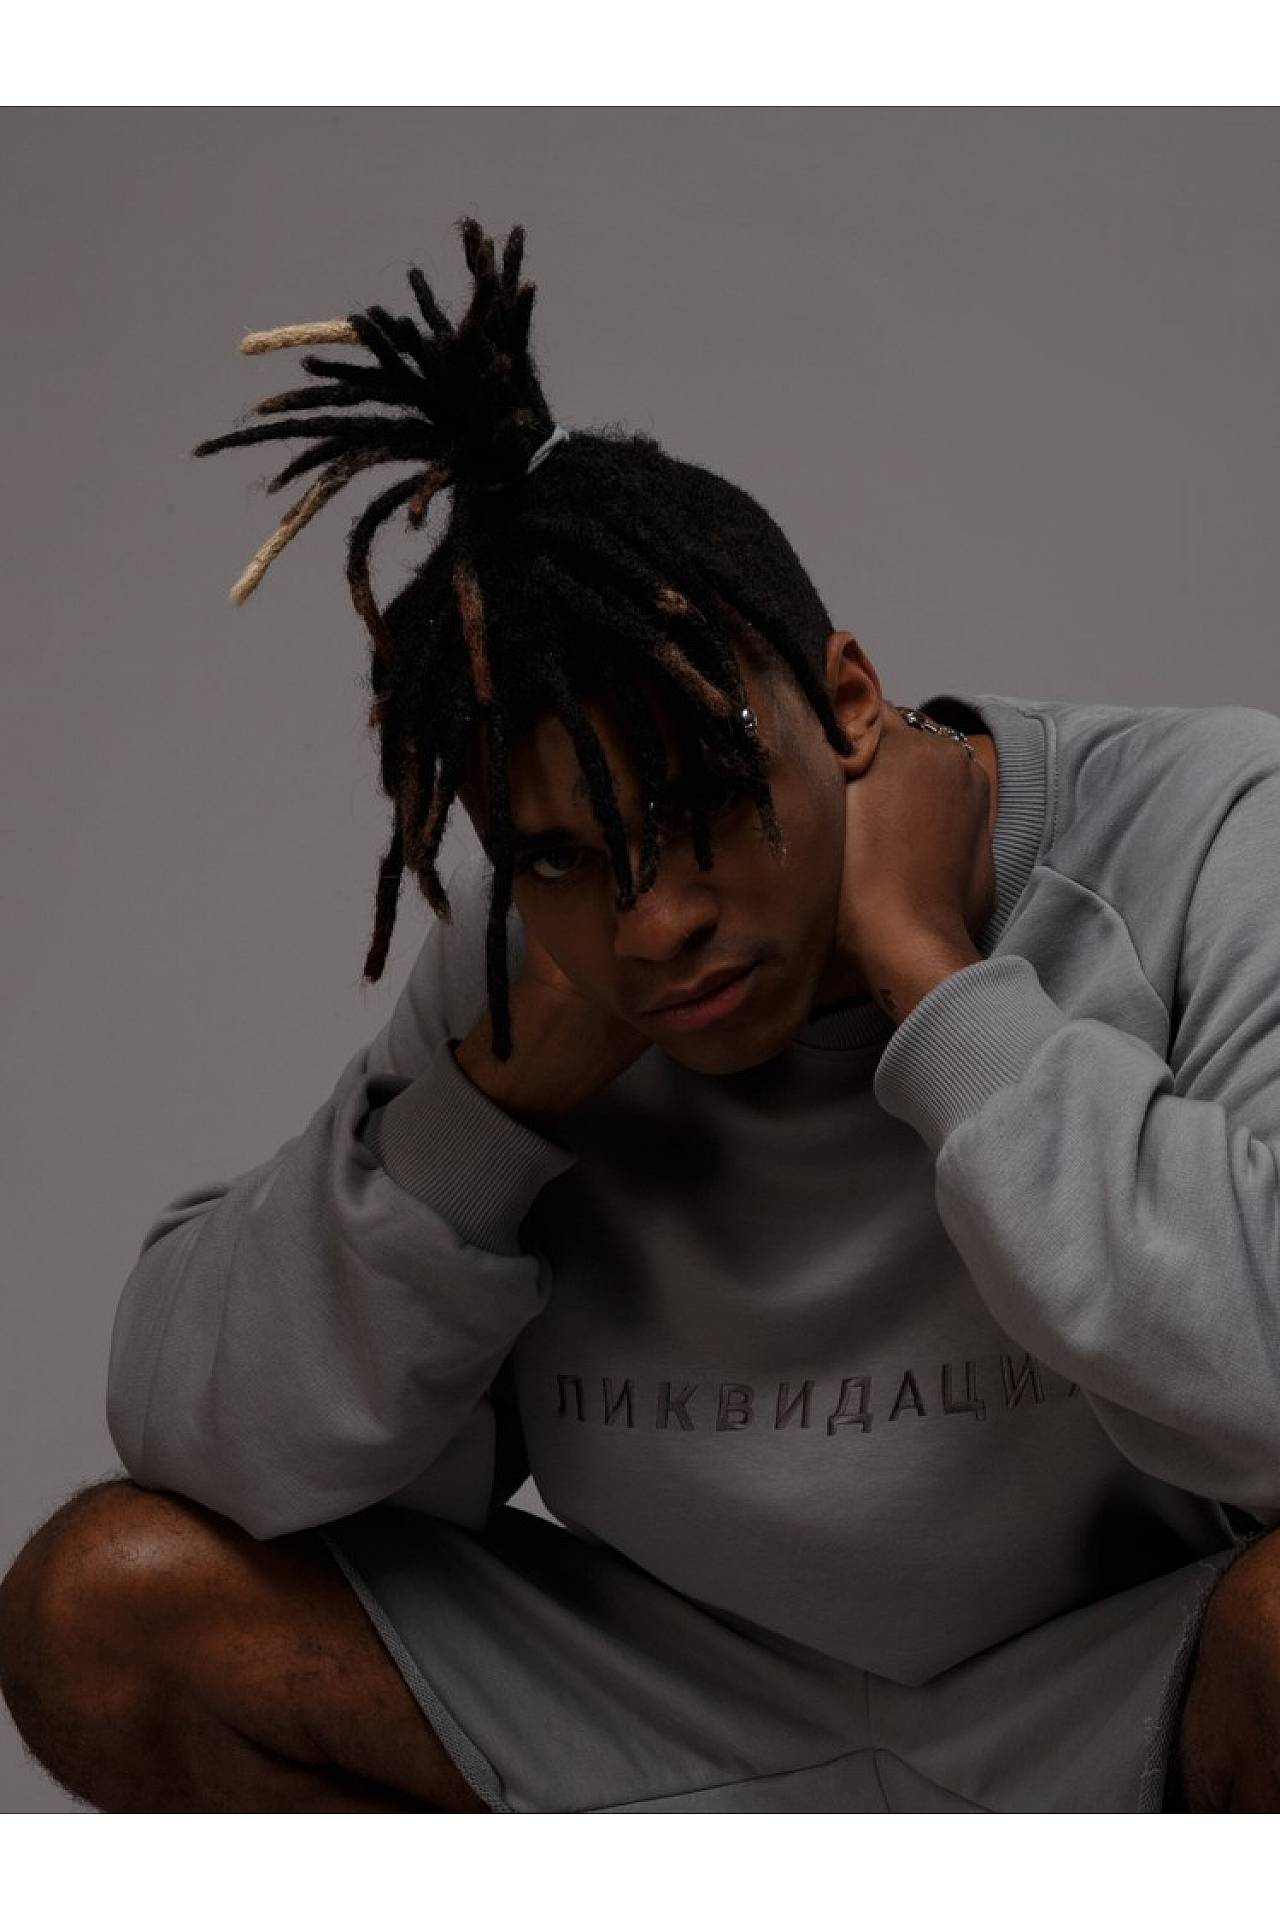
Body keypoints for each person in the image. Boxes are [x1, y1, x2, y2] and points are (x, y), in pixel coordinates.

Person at [3, 216, 1279, 1814]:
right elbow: (204, 1441)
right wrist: (485, 1120)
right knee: (102, 1610)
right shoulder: (543, 969)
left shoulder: (1202, 828)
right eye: (562, 855)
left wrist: (936, 979)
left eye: (700, 807)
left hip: (1117, 1701)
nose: (654, 919)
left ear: (850, 702)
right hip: (662, 1725)